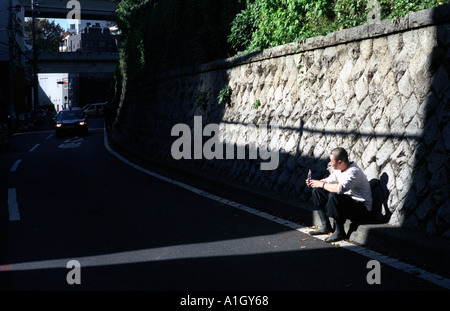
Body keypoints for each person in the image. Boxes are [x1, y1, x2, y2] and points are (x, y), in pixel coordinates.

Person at [305, 147, 373, 242]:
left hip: (362, 208)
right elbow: (330, 180)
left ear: (340, 162)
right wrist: (316, 183)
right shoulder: (338, 169)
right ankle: (325, 225)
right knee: (317, 191)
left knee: (334, 196)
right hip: (348, 203)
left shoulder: (353, 171)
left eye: (331, 161)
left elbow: (340, 189)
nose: (330, 163)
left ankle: (340, 231)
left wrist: (322, 184)